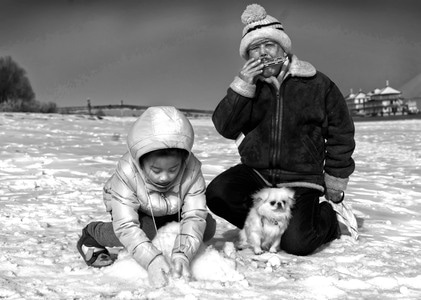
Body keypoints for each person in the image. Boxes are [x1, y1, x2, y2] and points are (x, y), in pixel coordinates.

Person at [206, 4, 357, 257]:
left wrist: (334, 178)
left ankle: (327, 218)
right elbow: (225, 127)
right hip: (257, 173)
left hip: (300, 177)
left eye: (269, 45)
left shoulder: (318, 84)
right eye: (255, 48)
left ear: (283, 48)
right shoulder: (249, 87)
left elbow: (341, 131)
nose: (262, 53)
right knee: (218, 194)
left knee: (298, 244)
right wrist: (243, 86)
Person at [77, 106, 216, 288]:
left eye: (173, 169)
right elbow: (126, 226)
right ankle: (92, 233)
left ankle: (163, 229)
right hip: (137, 210)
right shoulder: (127, 172)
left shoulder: (192, 170)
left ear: (184, 160)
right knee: (147, 231)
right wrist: (152, 260)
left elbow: (194, 215)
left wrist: (182, 254)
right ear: (140, 161)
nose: (165, 177)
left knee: (208, 226)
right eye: (156, 170)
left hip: (170, 206)